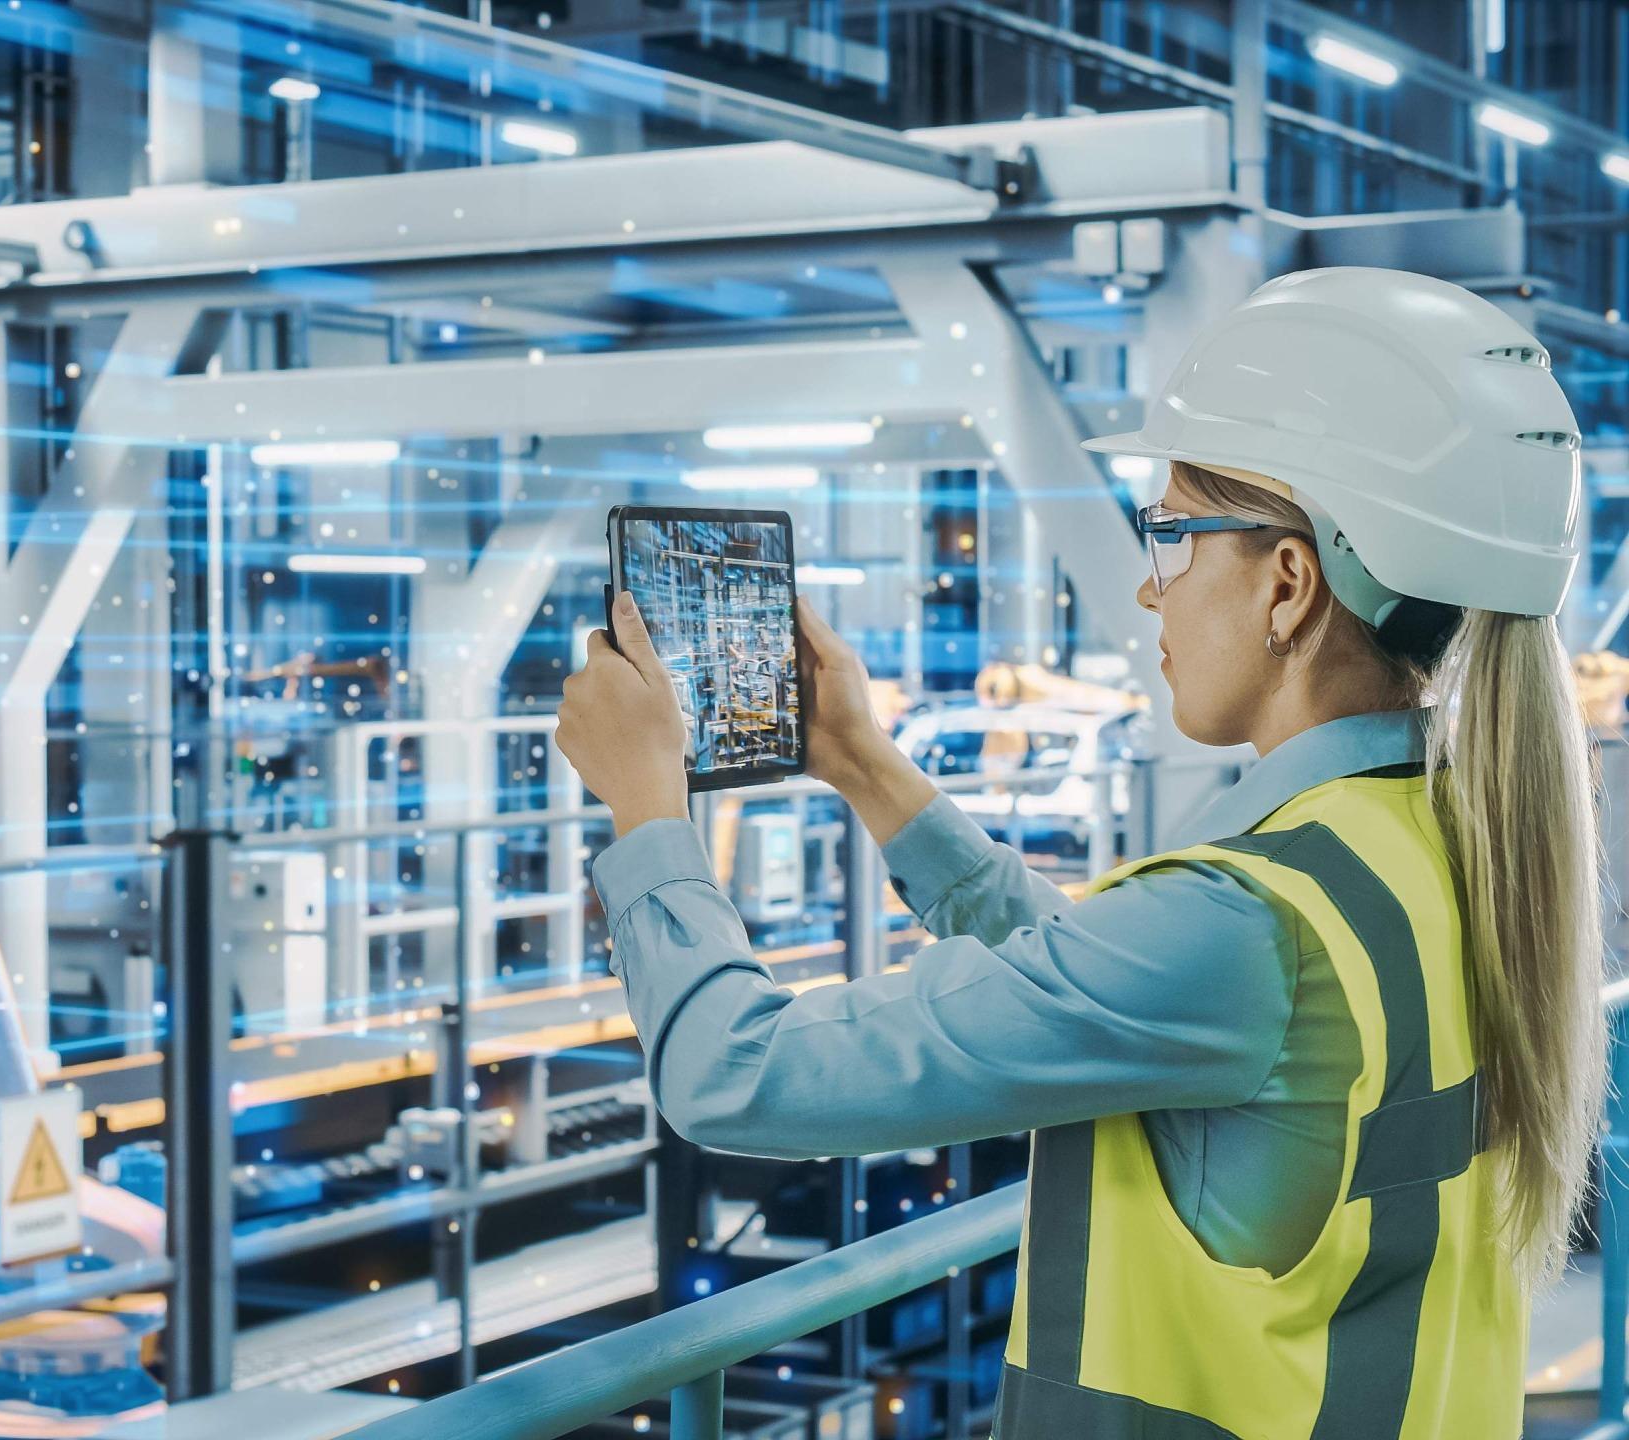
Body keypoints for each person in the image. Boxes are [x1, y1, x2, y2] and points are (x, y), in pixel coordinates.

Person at [554, 267, 1603, 1439]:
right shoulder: (1446, 851)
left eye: (1170, 533)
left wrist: (646, 810)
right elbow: (1113, 985)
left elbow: (730, 1074)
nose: (1151, 588)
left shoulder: (1244, 923)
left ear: (1289, 582)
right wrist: (859, 760)